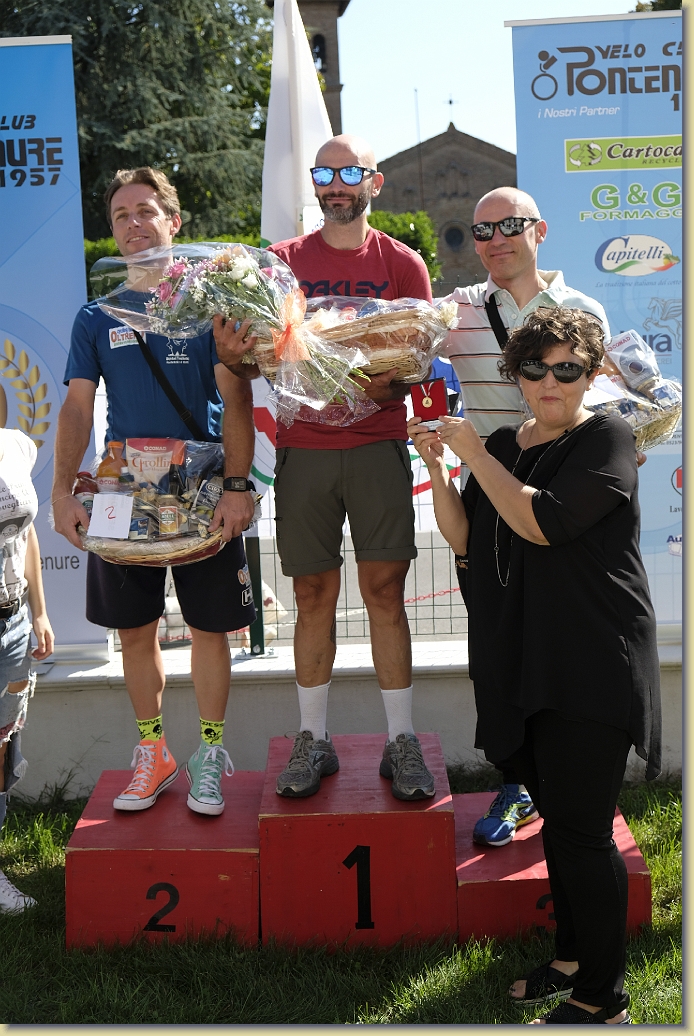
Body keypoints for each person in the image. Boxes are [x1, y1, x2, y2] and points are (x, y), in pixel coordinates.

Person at [409, 306, 661, 1024]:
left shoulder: (607, 437)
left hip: (591, 656)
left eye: (568, 369)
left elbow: (542, 522)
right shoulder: (499, 443)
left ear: (592, 374)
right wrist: (440, 467)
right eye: (535, 368)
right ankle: (573, 958)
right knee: (558, 821)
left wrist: (475, 457)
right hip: (524, 653)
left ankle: (604, 1000)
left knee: (582, 831)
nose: (551, 383)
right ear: (515, 374)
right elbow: (465, 539)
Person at [214, 134, 436, 801]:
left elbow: (419, 362)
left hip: (376, 444)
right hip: (304, 449)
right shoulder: (280, 263)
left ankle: (402, 741)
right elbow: (248, 361)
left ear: (374, 181)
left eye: (348, 172)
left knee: (385, 593)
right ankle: (313, 738)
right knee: (311, 595)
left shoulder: (403, 265)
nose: (336, 185)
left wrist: (391, 379)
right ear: (314, 184)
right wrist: (231, 352)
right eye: (324, 173)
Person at [52, 167, 256, 817]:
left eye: (146, 211)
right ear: (112, 231)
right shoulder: (95, 316)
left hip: (202, 489)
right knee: (134, 632)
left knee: (209, 630)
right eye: (122, 215)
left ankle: (210, 755)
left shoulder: (210, 304)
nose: (134, 224)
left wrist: (238, 486)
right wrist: (62, 492)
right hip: (123, 491)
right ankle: (153, 752)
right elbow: (77, 409)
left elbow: (238, 399)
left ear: (174, 221)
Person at [438, 186, 627, 849]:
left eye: (509, 226)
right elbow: (394, 352)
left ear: (539, 230)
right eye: (481, 230)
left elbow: (605, 406)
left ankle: (570, 782)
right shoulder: (455, 311)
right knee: (498, 648)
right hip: (486, 502)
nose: (495, 240)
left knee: (559, 645)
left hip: (559, 503)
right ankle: (519, 779)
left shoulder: (584, 310)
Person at [0, 428, 54, 911]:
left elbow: (27, 533)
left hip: (14, 624)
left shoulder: (17, 445)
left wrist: (39, 612)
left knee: (2, 748)